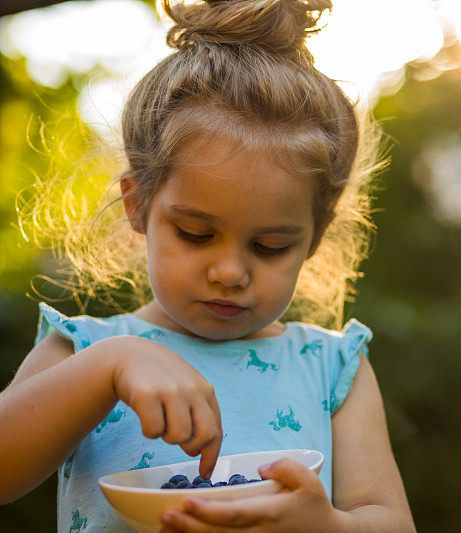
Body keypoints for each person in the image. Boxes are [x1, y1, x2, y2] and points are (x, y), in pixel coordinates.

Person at [0, 0, 415, 531]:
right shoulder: (82, 350)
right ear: (138, 204)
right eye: (196, 234)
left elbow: (390, 521)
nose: (229, 272)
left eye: (270, 246)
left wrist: (329, 526)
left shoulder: (331, 368)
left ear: (316, 237)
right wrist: (109, 367)